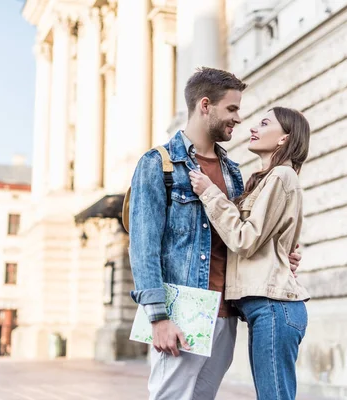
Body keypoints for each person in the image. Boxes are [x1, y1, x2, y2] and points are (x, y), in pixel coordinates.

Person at [128, 68, 302, 400]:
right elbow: (143, 247)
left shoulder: (233, 172)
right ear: (205, 105)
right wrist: (158, 317)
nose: (238, 119)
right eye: (232, 109)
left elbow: (241, 237)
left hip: (226, 312)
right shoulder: (159, 163)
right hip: (181, 310)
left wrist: (281, 256)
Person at [189, 107, 311, 400]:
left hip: (274, 308)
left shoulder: (282, 176)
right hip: (266, 309)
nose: (254, 127)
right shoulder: (268, 179)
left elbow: (244, 239)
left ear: (284, 138)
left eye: (265, 123)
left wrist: (210, 194)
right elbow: (267, 241)